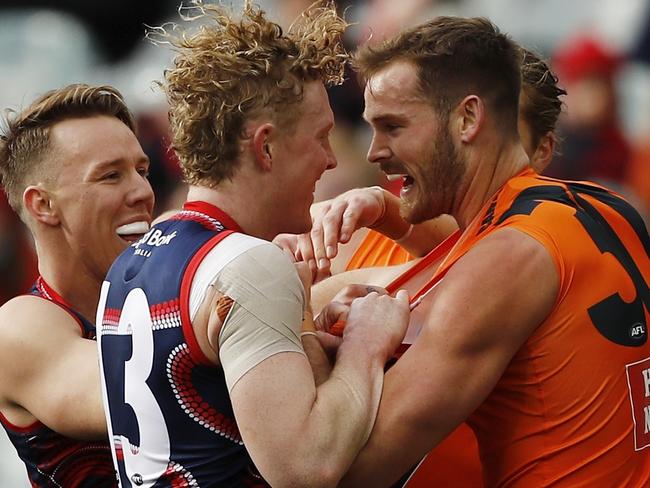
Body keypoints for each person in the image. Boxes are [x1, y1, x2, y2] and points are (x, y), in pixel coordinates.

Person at [314, 17, 649, 487]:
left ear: (469, 120)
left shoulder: (506, 259)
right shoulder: (608, 207)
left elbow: (346, 471)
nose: (374, 153)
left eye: (393, 126)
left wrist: (354, 350)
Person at [96, 2, 409, 487]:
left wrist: (304, 328)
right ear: (265, 146)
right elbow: (306, 467)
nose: (330, 160)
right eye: (321, 137)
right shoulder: (249, 265)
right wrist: (366, 346)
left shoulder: (130, 263)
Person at [0, 84, 155, 486]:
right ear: (44, 205)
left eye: (143, 170)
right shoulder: (17, 327)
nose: (143, 192)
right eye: (111, 176)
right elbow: (146, 394)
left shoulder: (165, 292)